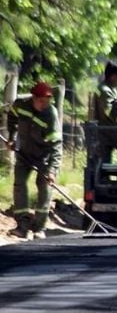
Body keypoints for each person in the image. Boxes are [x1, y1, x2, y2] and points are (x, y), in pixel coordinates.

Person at [6, 82, 62, 240]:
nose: (45, 105)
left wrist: (52, 169)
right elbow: (12, 117)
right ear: (34, 98)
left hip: (44, 157)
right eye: (42, 101)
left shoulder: (50, 115)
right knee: (19, 185)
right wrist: (11, 137)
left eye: (47, 101)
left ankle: (39, 228)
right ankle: (22, 226)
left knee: (44, 188)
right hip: (24, 154)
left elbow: (56, 146)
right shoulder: (21, 105)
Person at [93, 60, 117, 164]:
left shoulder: (113, 89)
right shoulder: (104, 90)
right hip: (103, 138)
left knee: (106, 166)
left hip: (109, 136)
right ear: (113, 76)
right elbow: (110, 115)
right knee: (102, 169)